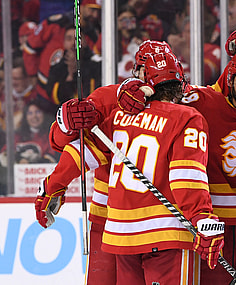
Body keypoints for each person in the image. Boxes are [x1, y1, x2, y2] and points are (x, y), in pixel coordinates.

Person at [37, 51, 224, 284]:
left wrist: (52, 186)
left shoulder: (119, 115)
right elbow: (186, 177)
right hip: (166, 231)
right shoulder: (187, 117)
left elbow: (82, 151)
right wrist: (201, 217)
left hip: (120, 233)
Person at [34, 40, 173, 285]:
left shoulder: (184, 106)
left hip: (163, 224)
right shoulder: (111, 98)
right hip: (111, 219)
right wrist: (67, 123)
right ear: (137, 71)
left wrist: (53, 184)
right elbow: (64, 142)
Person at [180, 51, 236, 284]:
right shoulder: (203, 100)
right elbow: (164, 93)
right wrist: (134, 88)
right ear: (229, 80)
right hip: (213, 223)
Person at [46, 25, 101, 105]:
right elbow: (54, 98)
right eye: (69, 39)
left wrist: (78, 70)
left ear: (85, 42)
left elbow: (95, 93)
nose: (73, 43)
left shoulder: (96, 64)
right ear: (64, 43)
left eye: (77, 39)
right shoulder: (57, 68)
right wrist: (71, 75)